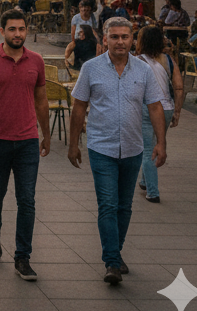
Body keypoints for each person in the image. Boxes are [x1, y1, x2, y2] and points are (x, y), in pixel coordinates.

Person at [68, 17, 168, 285]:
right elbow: (79, 107)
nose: (120, 41)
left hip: (133, 148)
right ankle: (111, 261)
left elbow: (155, 107)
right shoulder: (91, 69)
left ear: (132, 39)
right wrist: (73, 143)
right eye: (115, 37)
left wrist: (161, 142)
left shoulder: (144, 71)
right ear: (105, 39)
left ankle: (116, 251)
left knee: (124, 207)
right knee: (108, 205)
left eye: (125, 37)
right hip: (101, 147)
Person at [0, 9, 51, 281]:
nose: (17, 34)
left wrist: (46, 134)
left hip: (28, 141)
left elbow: (41, 101)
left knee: (26, 200)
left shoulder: (36, 61)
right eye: (12, 29)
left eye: (21, 29)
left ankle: (22, 257)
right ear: (2, 32)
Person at [135, 25, 185, 203]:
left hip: (146, 108)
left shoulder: (137, 61)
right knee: (157, 144)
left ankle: (153, 192)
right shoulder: (169, 60)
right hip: (167, 108)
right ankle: (144, 181)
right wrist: (177, 111)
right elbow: (178, 87)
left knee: (148, 149)